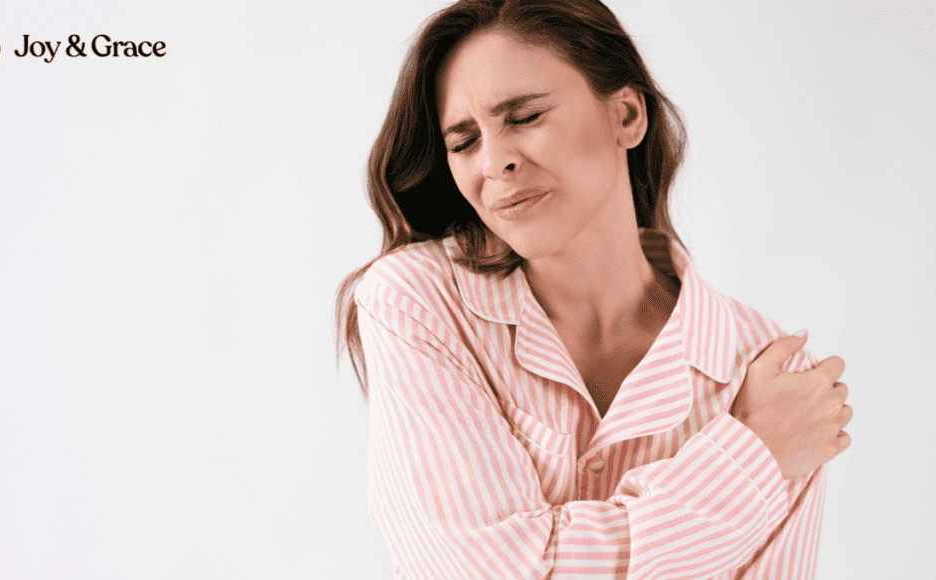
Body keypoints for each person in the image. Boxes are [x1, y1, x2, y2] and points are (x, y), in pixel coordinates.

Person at [335, 1, 853, 578]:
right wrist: (751, 457)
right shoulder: (417, 303)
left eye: (525, 117)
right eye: (464, 142)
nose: (495, 161)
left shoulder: (775, 375)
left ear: (627, 115)